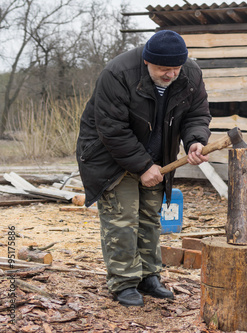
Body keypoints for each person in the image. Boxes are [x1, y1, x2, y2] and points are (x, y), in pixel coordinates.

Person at [76, 30, 211, 307]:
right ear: (147, 61)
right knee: (122, 219)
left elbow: (197, 114)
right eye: (164, 69)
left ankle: (149, 276)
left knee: (150, 216)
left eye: (175, 69)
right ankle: (124, 282)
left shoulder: (190, 74)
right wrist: (142, 165)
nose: (170, 75)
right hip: (111, 156)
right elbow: (112, 130)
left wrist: (195, 141)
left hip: (158, 156)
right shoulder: (118, 73)